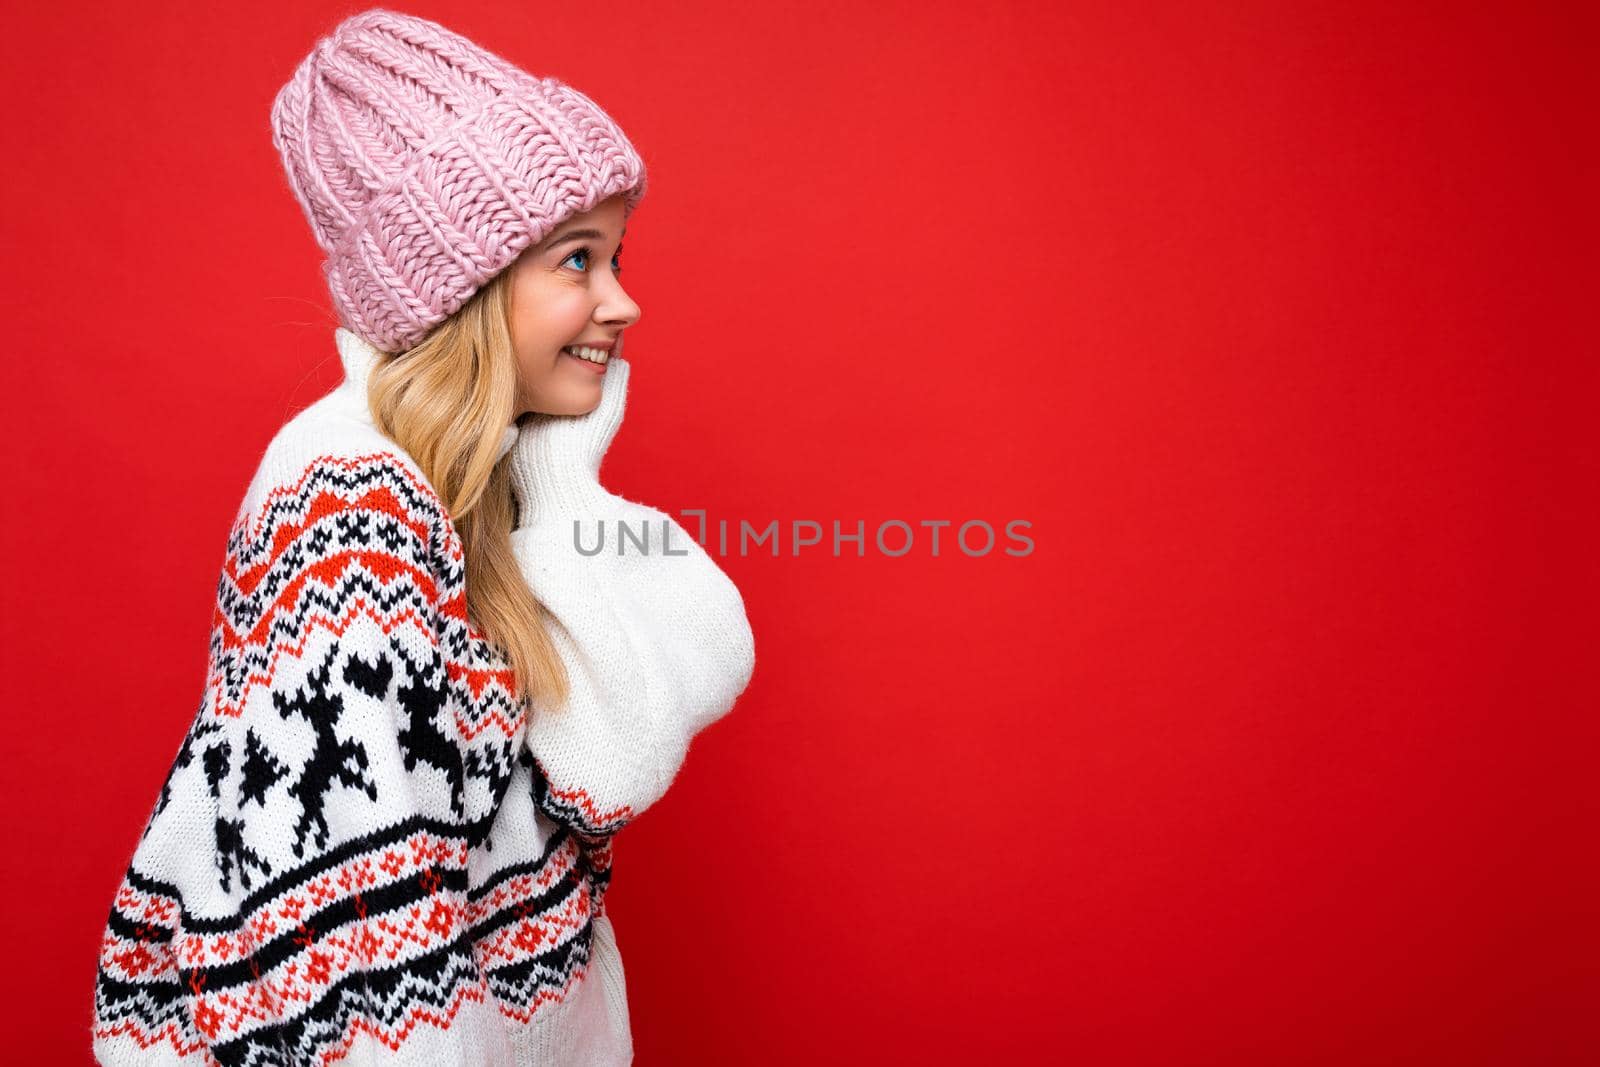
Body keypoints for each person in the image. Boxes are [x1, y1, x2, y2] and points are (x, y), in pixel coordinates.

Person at [89, 9, 756, 1064]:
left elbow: (619, 753)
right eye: (576, 260)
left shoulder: (485, 482)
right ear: (460, 287)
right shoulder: (353, 505)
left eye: (615, 253)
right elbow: (356, 970)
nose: (622, 301)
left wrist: (556, 472)